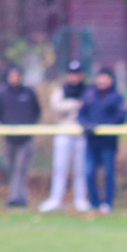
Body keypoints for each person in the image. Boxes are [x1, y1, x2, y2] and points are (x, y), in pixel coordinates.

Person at [39, 61, 90, 213]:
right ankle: (56, 199)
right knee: (60, 167)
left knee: (80, 169)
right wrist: (75, 104)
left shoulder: (87, 90)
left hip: (80, 133)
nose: (75, 77)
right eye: (72, 73)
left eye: (77, 73)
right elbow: (56, 105)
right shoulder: (62, 89)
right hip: (64, 131)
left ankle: (80, 199)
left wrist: (69, 106)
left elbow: (88, 105)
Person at [78, 69, 126, 214]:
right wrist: (87, 126)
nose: (102, 82)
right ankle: (94, 202)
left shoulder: (116, 97)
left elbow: (120, 117)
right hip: (92, 142)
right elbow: (81, 115)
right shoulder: (90, 95)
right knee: (89, 173)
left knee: (109, 174)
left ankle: (108, 203)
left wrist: (102, 125)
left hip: (108, 143)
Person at [0, 66, 41, 208]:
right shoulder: (3, 94)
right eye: (11, 76)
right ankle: (17, 196)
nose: (14, 79)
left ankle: (16, 199)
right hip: (10, 139)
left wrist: (29, 127)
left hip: (25, 138)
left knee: (21, 168)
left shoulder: (28, 93)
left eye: (17, 76)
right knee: (12, 168)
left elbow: (36, 111)